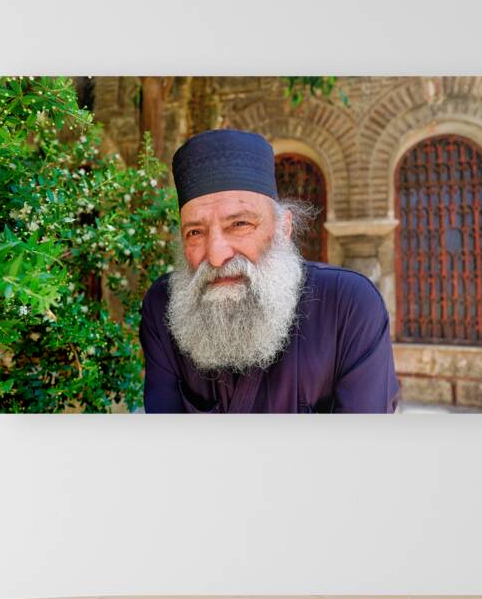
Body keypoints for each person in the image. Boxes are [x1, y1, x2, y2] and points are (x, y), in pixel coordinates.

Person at [139, 128, 400, 413]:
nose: (215, 256)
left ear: (283, 228)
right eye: (195, 232)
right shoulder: (163, 306)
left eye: (239, 224)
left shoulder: (349, 305)